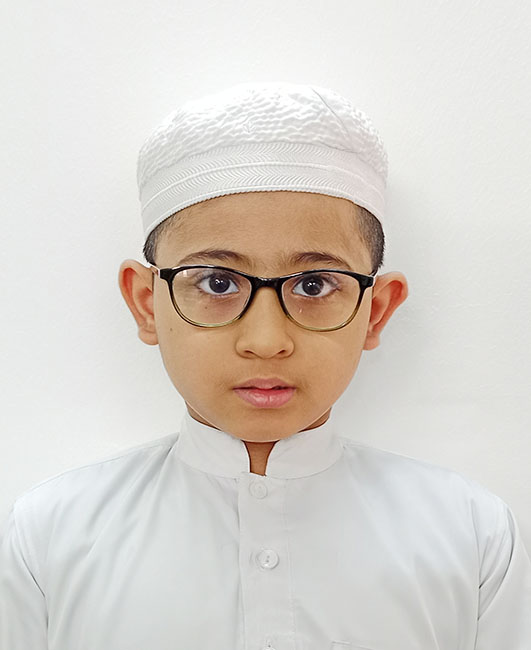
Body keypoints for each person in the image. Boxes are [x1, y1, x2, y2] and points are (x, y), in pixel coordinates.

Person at [1, 82, 530, 650]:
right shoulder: (49, 537)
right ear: (147, 303)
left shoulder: (470, 536)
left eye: (314, 284)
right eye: (217, 282)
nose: (266, 340)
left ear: (375, 311)